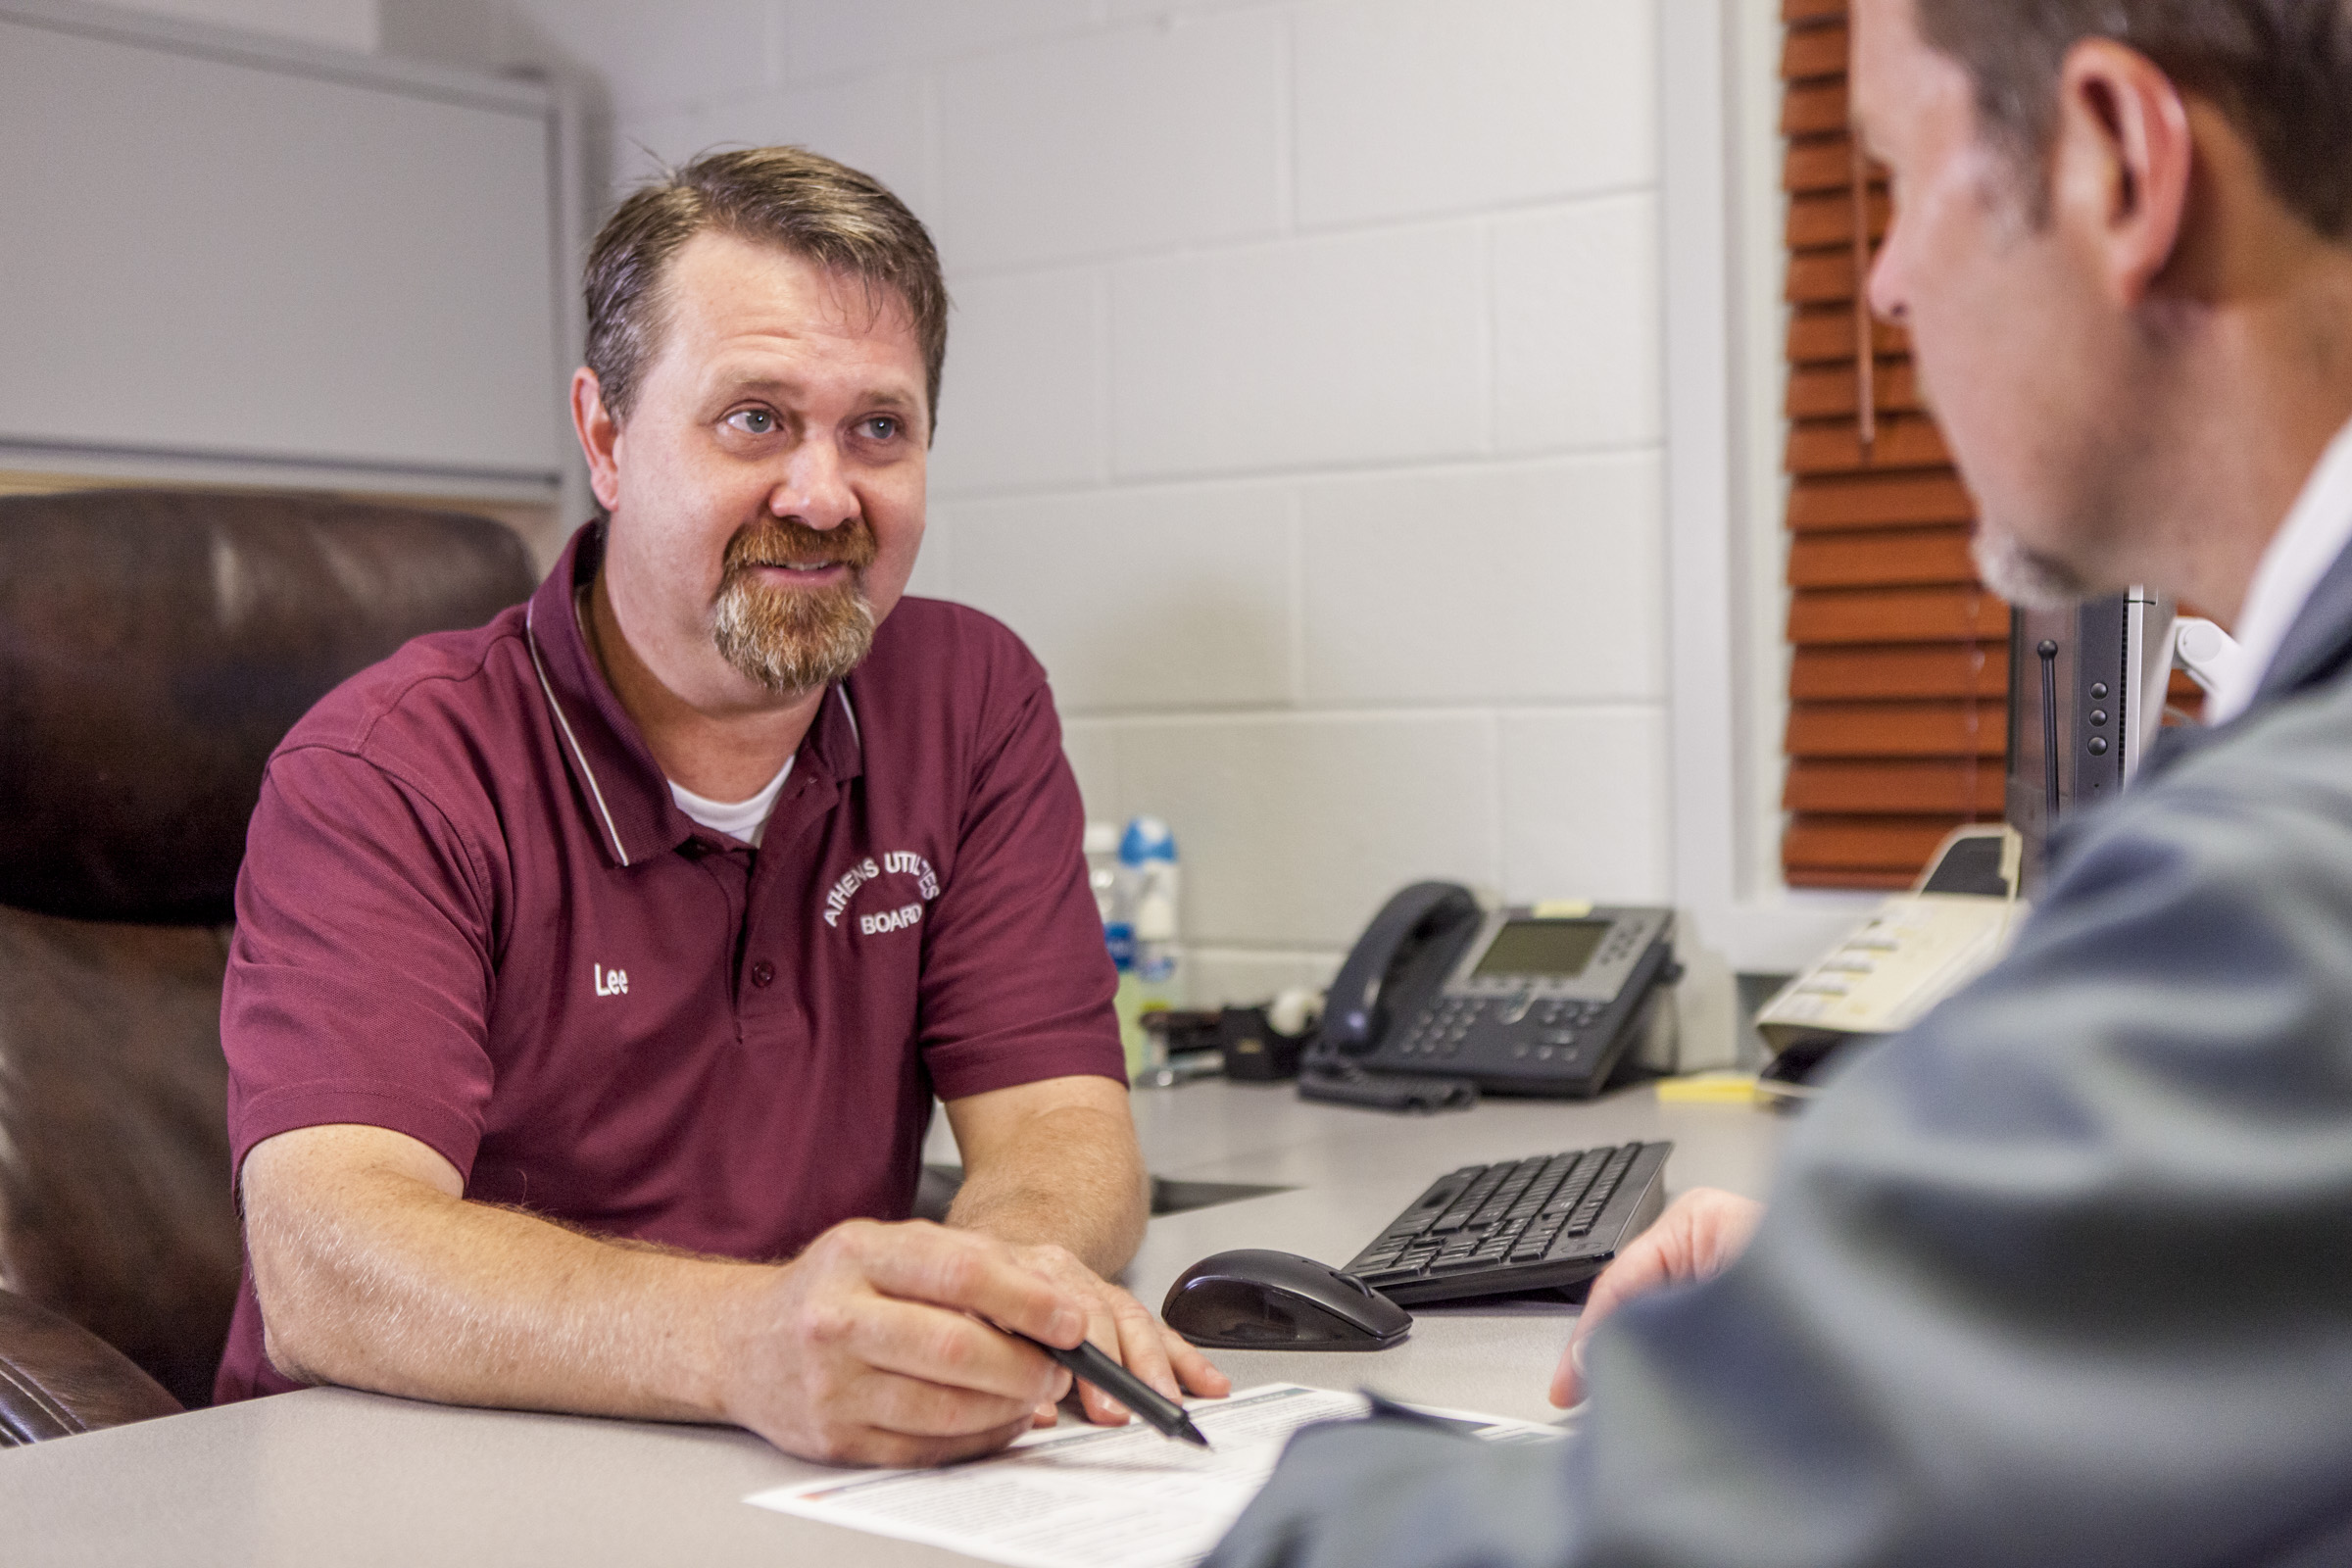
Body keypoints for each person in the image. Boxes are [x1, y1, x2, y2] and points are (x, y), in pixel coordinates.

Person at [1209, 0, 2352, 1561]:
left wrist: (1261, 1516)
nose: (1879, 283)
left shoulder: (2280, 881)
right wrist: (1924, 1291)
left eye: (1899, 175)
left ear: (2120, 169)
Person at [217, 146, 1227, 1466]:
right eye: (755, 418)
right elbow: (326, 1263)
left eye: (880, 428)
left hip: (795, 1477)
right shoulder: (387, 772)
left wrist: (968, 1307)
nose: (823, 496)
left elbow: (1059, 1123)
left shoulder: (969, 699)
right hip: (402, 1488)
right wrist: (746, 1342)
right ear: (606, 439)